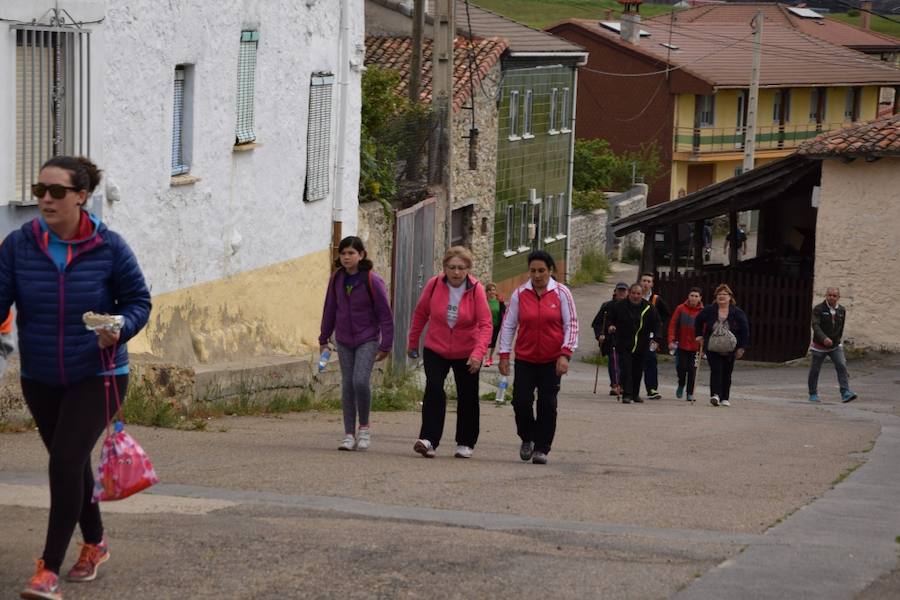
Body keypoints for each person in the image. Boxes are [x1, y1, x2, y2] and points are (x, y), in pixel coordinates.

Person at [0, 156, 152, 600]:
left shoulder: (110, 246)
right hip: (41, 375)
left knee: (64, 462)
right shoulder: (18, 244)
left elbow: (139, 300)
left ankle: (47, 570)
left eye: (57, 191)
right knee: (71, 465)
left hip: (99, 373)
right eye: (39, 190)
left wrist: (121, 326)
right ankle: (96, 543)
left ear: (81, 196)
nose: (45, 199)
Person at [408, 246, 492, 459]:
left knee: (468, 395)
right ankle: (428, 440)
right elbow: (420, 314)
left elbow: (485, 324)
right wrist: (413, 342)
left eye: (461, 268)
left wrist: (478, 353)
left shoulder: (476, 290)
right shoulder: (434, 285)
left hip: (467, 349)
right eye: (452, 267)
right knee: (434, 389)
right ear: (444, 267)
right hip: (436, 346)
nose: (456, 273)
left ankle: (465, 442)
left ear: (468, 269)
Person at [498, 250, 577, 465]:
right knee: (520, 401)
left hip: (553, 360)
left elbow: (571, 325)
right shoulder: (520, 294)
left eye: (542, 270)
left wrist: (565, 354)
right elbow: (508, 325)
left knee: (547, 404)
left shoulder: (562, 293)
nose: (537, 275)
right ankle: (527, 438)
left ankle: (542, 447)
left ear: (550, 270)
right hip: (525, 358)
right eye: (533, 270)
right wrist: (504, 355)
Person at [319, 236, 394, 451]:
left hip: (367, 338)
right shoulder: (337, 279)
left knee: (360, 381)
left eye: (351, 253)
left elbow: (385, 315)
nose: (346, 257)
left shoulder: (372, 280)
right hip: (343, 339)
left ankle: (364, 428)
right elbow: (329, 309)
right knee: (348, 385)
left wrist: (385, 344)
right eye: (343, 253)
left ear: (361, 255)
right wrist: (323, 338)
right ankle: (349, 434)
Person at [694, 284, 749, 407]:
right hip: (713, 346)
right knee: (716, 369)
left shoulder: (737, 312)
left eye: (724, 294)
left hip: (730, 347)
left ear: (730, 297)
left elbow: (745, 330)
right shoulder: (709, 310)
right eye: (719, 294)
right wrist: (699, 336)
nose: (721, 296)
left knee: (727, 372)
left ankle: (725, 397)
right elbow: (698, 321)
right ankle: (715, 395)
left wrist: (741, 347)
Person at [606, 283, 661, 404]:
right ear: (629, 293)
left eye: (638, 294)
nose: (636, 296)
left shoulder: (649, 307)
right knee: (626, 369)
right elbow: (609, 318)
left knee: (638, 369)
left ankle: (635, 394)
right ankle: (627, 394)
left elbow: (657, 323)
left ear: (642, 295)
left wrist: (656, 338)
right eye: (633, 293)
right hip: (624, 343)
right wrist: (611, 326)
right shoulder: (619, 306)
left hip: (642, 343)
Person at [808, 288, 857, 403]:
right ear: (826, 295)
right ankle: (813, 393)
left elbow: (841, 327)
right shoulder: (818, 309)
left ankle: (845, 392)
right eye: (829, 295)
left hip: (835, 346)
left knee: (841, 366)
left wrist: (837, 340)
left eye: (834, 296)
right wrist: (824, 338)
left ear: (838, 297)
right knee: (815, 370)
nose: (832, 297)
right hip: (819, 346)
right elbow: (815, 325)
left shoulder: (841, 310)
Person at [591, 282, 628, 395]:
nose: (621, 293)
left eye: (624, 290)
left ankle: (623, 385)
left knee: (625, 362)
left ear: (627, 292)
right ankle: (615, 385)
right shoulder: (607, 306)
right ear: (615, 291)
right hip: (611, 339)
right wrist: (600, 334)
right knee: (614, 359)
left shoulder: (631, 307)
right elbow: (597, 323)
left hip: (626, 340)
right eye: (619, 290)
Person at [667, 288, 703, 402]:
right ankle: (681, 384)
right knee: (681, 368)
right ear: (688, 296)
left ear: (700, 298)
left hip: (696, 347)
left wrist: (704, 345)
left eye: (696, 296)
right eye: (692, 295)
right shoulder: (680, 308)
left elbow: (706, 328)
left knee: (692, 370)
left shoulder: (703, 311)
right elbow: (672, 325)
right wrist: (671, 340)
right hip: (681, 344)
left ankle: (690, 393)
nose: (694, 298)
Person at [639, 273, 669, 400]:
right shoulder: (635, 296)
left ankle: (652, 389)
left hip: (650, 336)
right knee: (632, 361)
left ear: (652, 284)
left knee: (651, 360)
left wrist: (658, 326)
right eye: (644, 280)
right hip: (635, 335)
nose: (646, 283)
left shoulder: (656, 299)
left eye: (648, 281)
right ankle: (627, 386)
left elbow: (666, 314)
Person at [483, 282, 506, 367]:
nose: (491, 292)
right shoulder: (484, 300)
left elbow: (504, 312)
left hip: (497, 324)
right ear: (487, 292)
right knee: (487, 341)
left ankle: (490, 357)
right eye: (489, 290)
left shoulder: (499, 301)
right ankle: (487, 359)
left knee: (493, 342)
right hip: (486, 325)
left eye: (493, 290)